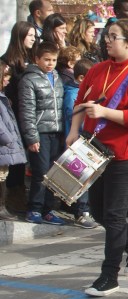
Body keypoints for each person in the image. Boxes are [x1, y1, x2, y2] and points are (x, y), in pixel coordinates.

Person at [67, 19, 128, 296]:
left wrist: (105, 113)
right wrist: (73, 131)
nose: (107, 40)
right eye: (106, 36)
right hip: (95, 151)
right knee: (98, 211)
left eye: (113, 36)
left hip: (126, 154)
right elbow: (80, 102)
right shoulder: (97, 69)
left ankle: (110, 276)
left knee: (115, 214)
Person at [18, 41, 65, 225]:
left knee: (53, 172)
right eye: (46, 60)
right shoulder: (29, 80)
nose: (50, 63)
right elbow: (27, 110)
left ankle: (48, 209)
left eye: (53, 60)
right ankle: (34, 208)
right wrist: (31, 136)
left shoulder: (57, 76)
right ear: (36, 59)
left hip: (56, 131)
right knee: (41, 172)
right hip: (40, 132)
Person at [58, 50, 101, 229]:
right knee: (82, 177)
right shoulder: (72, 94)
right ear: (83, 78)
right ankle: (81, 212)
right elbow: (72, 113)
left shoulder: (80, 93)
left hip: (86, 140)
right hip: (78, 142)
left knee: (86, 176)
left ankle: (83, 209)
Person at [1, 22, 36, 214]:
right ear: (20, 36)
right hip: (11, 117)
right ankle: (10, 200)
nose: (33, 38)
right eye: (29, 35)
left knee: (21, 160)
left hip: (26, 116)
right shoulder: (8, 62)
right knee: (13, 161)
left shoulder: (31, 58)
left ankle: (18, 197)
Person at [0, 60, 27, 220]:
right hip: (3, 144)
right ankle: (1, 207)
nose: (8, 81)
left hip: (5, 145)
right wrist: (8, 138)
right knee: (1, 177)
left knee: (3, 176)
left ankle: (2, 206)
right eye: (5, 77)